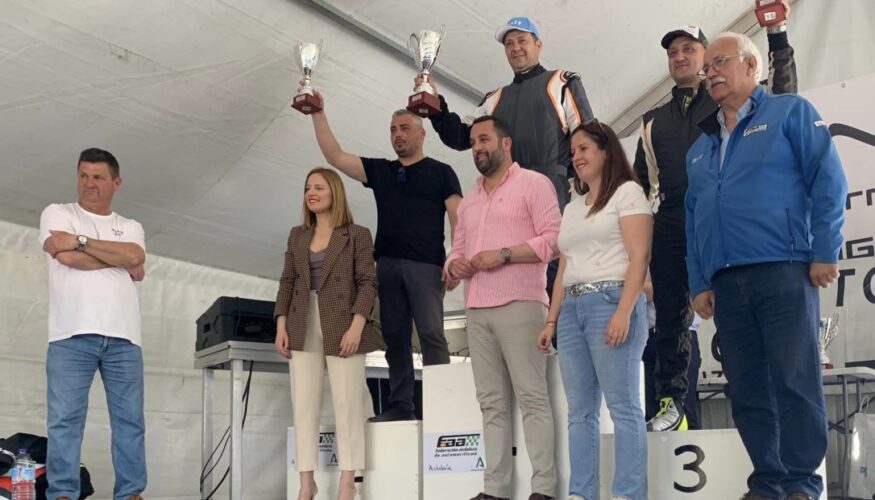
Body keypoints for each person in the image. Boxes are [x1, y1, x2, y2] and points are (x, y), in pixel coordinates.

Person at [686, 31, 847, 500]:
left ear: (752, 66)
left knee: (795, 380)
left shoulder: (789, 112)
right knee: (747, 388)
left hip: (784, 268)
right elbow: (694, 220)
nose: (711, 73)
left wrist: (825, 250)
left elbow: (828, 181)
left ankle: (801, 483)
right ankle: (769, 482)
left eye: (720, 62)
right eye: (707, 68)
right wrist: (699, 282)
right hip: (726, 282)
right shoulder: (700, 147)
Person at [633, 1, 798, 431]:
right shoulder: (651, 120)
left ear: (707, 58)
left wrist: (778, 38)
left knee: (738, 306)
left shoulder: (730, 99)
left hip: (725, 212)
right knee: (670, 315)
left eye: (688, 49)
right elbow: (639, 188)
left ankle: (759, 396)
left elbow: (784, 98)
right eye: (673, 52)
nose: (680, 57)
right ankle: (673, 403)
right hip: (672, 217)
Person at [307, 92, 462, 421]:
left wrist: (457, 258)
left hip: (427, 266)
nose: (398, 134)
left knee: (432, 334)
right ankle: (401, 405)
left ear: (422, 134)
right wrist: (317, 112)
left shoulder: (442, 172)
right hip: (387, 265)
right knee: (394, 336)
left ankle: (442, 406)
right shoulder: (382, 170)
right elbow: (335, 156)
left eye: (404, 128)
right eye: (393, 129)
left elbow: (458, 217)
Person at [420, 16, 594, 295]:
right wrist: (434, 104)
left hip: (552, 188)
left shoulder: (562, 81)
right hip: (505, 195)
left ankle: (555, 322)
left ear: (538, 44)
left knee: (551, 267)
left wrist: (590, 189)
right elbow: (461, 136)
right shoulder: (495, 97)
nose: (516, 48)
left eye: (522, 40)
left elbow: (587, 136)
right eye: (509, 44)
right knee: (510, 267)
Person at [446, 115, 561, 500]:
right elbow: (456, 250)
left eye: (484, 140)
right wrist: (454, 265)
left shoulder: (535, 184)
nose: (477, 148)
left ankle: (543, 488)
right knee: (491, 404)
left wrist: (504, 254)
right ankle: (494, 490)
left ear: (506, 143)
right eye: (472, 143)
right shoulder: (470, 200)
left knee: (532, 398)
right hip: (476, 308)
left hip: (522, 303)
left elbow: (554, 240)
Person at [538, 122, 652, 500]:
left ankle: (628, 494)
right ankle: (581, 493)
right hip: (572, 310)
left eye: (584, 148)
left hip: (611, 300)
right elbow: (564, 268)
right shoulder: (572, 207)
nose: (577, 157)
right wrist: (551, 319)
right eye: (573, 152)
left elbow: (639, 256)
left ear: (606, 151)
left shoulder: (628, 193)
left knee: (623, 406)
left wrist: (624, 310)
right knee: (579, 411)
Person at [39, 148, 147, 500]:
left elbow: (135, 255)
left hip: (124, 338)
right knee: (64, 420)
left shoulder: (131, 226)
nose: (89, 183)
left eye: (98, 177)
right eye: (83, 175)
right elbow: (67, 258)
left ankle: (130, 493)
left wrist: (80, 242)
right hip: (70, 335)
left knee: (130, 421)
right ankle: (62, 493)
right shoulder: (57, 212)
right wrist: (121, 262)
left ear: (116, 183)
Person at [274, 167, 379, 500]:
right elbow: (287, 281)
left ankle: (348, 480)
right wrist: (280, 323)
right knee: (303, 404)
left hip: (344, 322)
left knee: (347, 403)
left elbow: (368, 283)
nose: (311, 193)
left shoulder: (357, 234)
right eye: (308, 188)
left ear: (335, 192)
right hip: (301, 321)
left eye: (319, 187)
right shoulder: (297, 235)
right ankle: (307, 483)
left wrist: (357, 326)